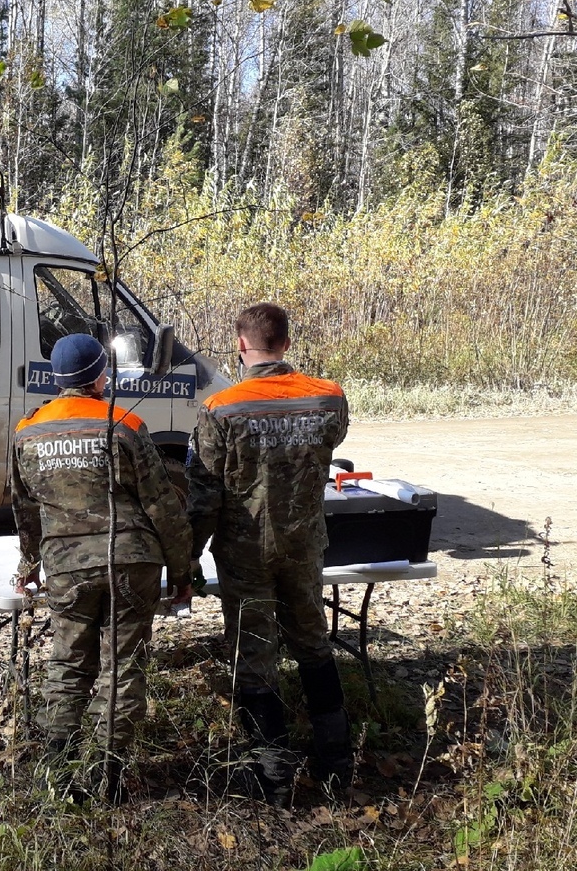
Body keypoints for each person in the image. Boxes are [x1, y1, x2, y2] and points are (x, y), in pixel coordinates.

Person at [11, 332, 193, 802]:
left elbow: (25, 509)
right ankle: (105, 775)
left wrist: (30, 562)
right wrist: (182, 571)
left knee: (68, 661)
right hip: (131, 561)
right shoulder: (124, 425)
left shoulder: (27, 431)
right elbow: (162, 505)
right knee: (122, 667)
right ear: (99, 376)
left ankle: (58, 769)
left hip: (66, 567)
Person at [186, 302, 353, 803]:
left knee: (254, 657)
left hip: (244, 552)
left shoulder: (221, 410)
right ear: (285, 341)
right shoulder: (328, 398)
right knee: (313, 643)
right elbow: (333, 442)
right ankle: (337, 761)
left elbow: (204, 495)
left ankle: (273, 777)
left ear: (241, 345)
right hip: (304, 545)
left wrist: (188, 556)